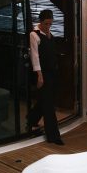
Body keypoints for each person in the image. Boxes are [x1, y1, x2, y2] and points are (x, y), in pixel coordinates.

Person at [26, 9, 63, 145]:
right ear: (40, 22)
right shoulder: (34, 35)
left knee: (46, 100)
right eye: (46, 24)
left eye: (50, 24)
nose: (48, 26)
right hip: (42, 73)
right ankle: (53, 136)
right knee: (49, 105)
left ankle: (31, 118)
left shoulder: (49, 33)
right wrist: (39, 76)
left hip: (53, 72)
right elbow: (35, 56)